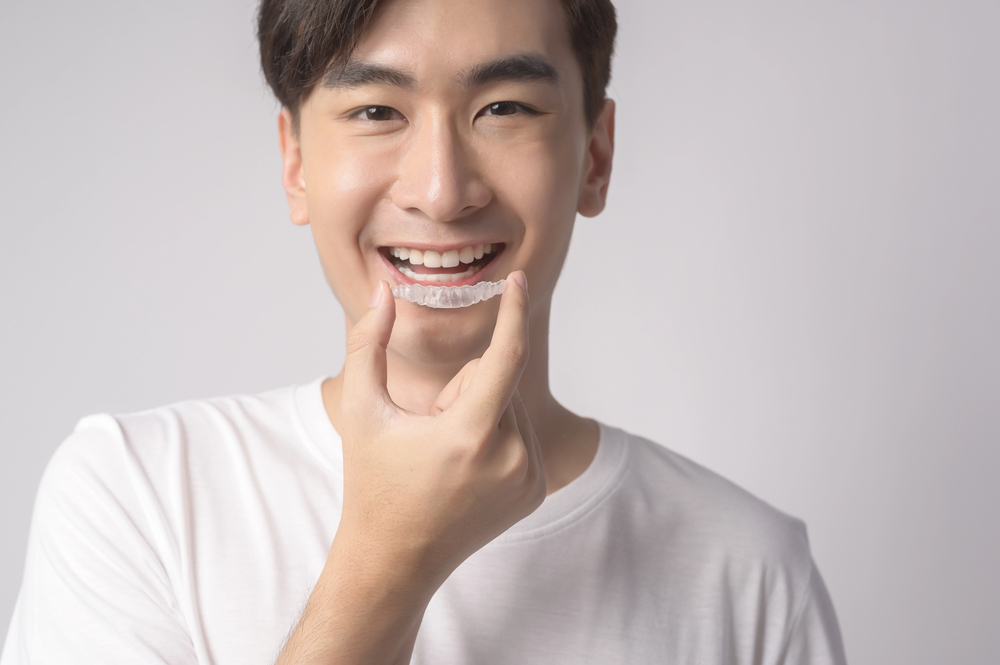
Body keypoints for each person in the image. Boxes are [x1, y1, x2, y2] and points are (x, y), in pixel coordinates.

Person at [1, 0, 847, 663]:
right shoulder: (137, 497)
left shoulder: (750, 569)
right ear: (296, 164)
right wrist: (388, 557)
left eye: (504, 107)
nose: (442, 192)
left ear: (595, 155)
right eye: (376, 111)